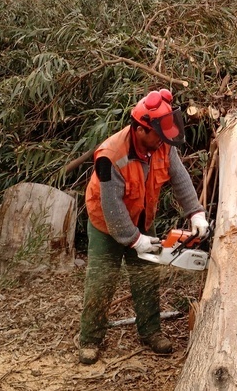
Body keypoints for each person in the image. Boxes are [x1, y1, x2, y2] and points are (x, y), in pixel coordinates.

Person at [79, 88, 209, 365]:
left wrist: (196, 213)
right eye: (158, 136)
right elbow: (111, 205)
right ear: (140, 130)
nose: (164, 142)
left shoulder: (161, 145)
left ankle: (150, 331)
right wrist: (132, 240)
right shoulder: (109, 156)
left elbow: (180, 179)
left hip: (141, 218)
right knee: (101, 281)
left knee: (146, 279)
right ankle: (90, 339)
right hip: (106, 224)